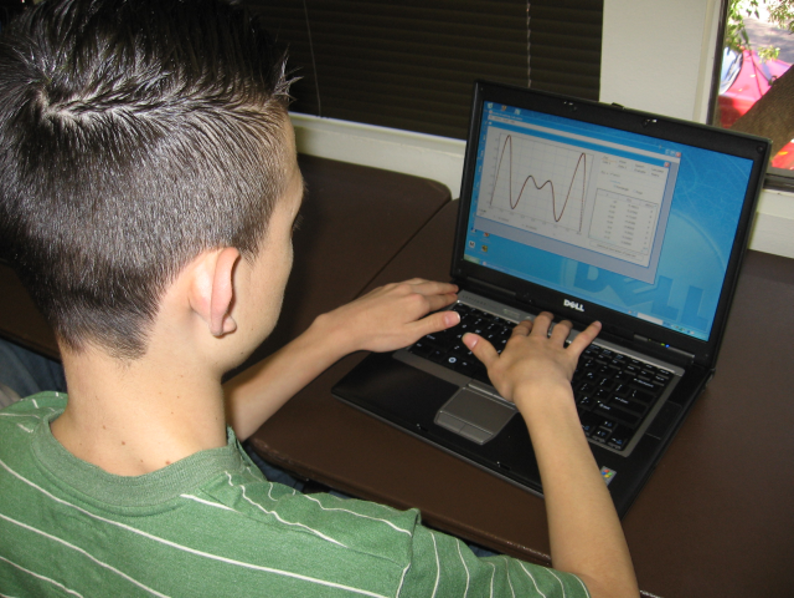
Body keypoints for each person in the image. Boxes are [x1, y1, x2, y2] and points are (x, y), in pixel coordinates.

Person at [0, 0, 638, 596]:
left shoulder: (15, 442)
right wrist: (547, 395)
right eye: (292, 221)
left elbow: (176, 424)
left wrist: (332, 333)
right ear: (217, 289)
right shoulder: (364, 567)